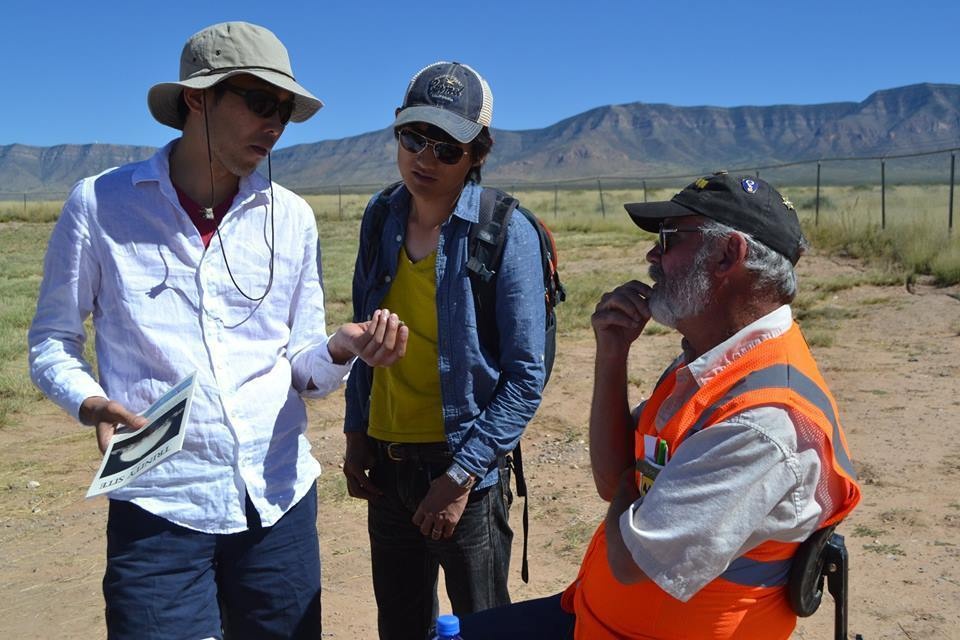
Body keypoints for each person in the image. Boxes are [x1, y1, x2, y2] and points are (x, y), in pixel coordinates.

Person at [27, 21, 407, 640]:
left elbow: (304, 369)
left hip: (277, 500)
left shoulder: (291, 218)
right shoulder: (100, 205)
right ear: (197, 98)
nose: (277, 124)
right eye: (261, 103)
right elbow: (50, 341)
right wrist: (89, 401)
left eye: (285, 109)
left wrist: (342, 348)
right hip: (159, 504)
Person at [462, 173, 862, 639]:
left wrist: (632, 482)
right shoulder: (716, 359)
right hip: (596, 620)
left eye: (670, 238)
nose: (653, 256)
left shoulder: (765, 423)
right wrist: (612, 353)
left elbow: (631, 558)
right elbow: (612, 480)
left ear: (728, 254)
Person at [342, 61, 547, 640]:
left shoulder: (504, 232)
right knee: (401, 627)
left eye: (446, 147)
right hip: (388, 463)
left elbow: (526, 375)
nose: (424, 158)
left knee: (485, 628)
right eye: (413, 138)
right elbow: (364, 335)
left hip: (466, 475)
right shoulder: (381, 216)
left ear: (478, 153)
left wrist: (458, 480)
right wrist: (357, 433)